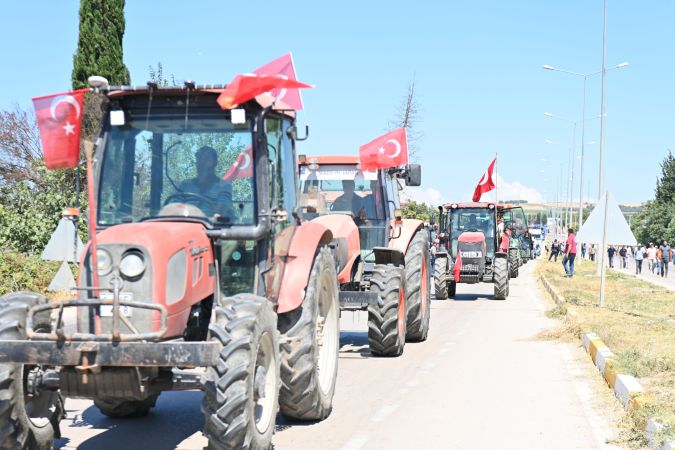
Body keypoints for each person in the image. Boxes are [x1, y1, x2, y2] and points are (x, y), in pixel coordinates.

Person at [176, 146, 233, 218]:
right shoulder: (185, 185)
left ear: (215, 163)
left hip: (211, 227)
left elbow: (221, 213)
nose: (202, 162)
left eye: (206, 158)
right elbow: (174, 207)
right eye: (199, 158)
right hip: (185, 224)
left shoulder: (224, 186)